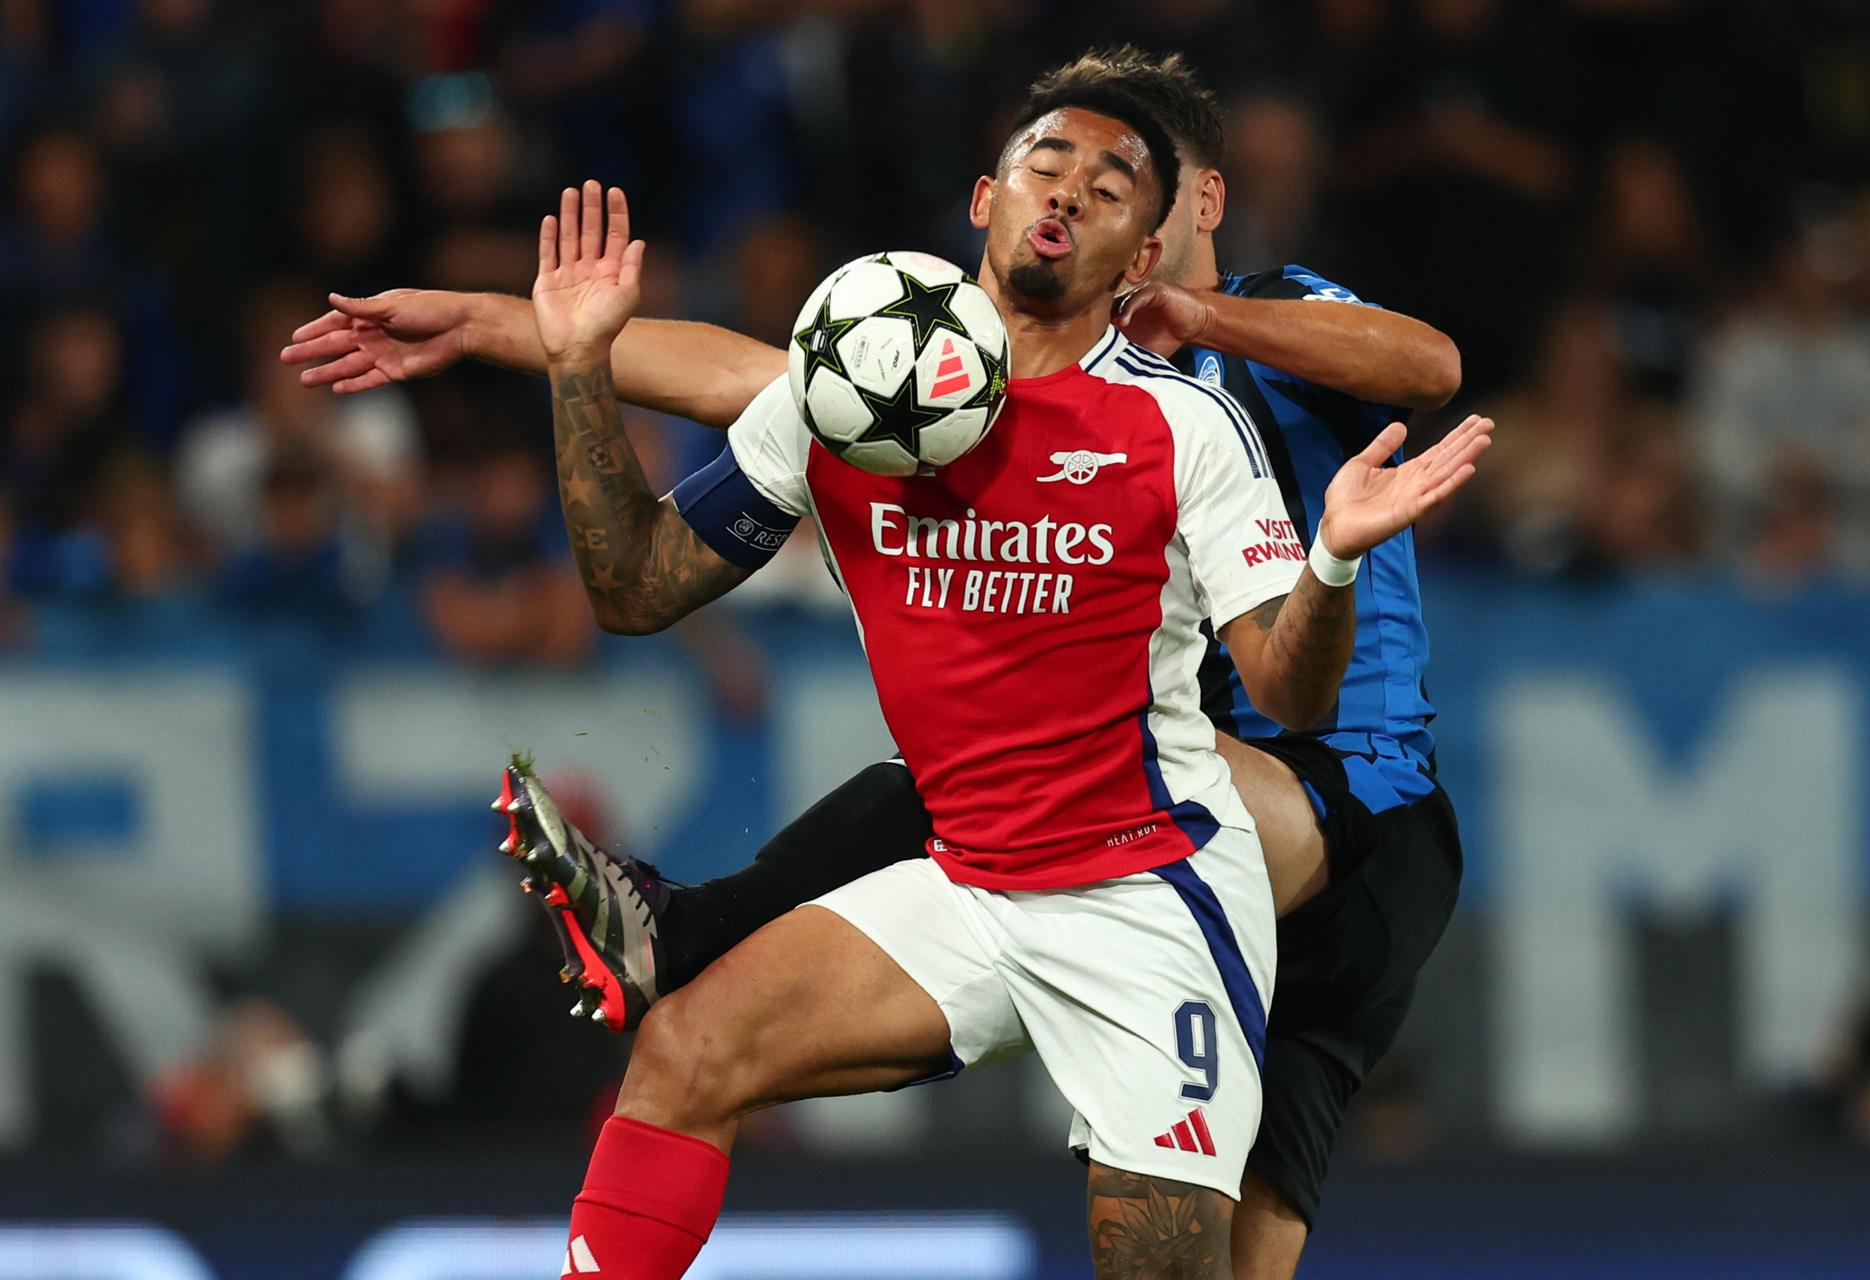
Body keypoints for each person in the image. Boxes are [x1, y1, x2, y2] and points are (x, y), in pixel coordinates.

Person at [284, 48, 1475, 1277]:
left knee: (1224, 1252)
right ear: (981, 199)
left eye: (1117, 185)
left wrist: (1287, 471)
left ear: (1180, 218)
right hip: (1016, 860)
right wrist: (521, 332)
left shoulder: (1226, 377)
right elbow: (752, 387)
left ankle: (689, 921)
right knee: (696, 1044)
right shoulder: (915, 380)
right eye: (1044, 166)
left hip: (1331, 796)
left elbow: (1430, 372)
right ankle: (680, 935)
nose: (1067, 197)